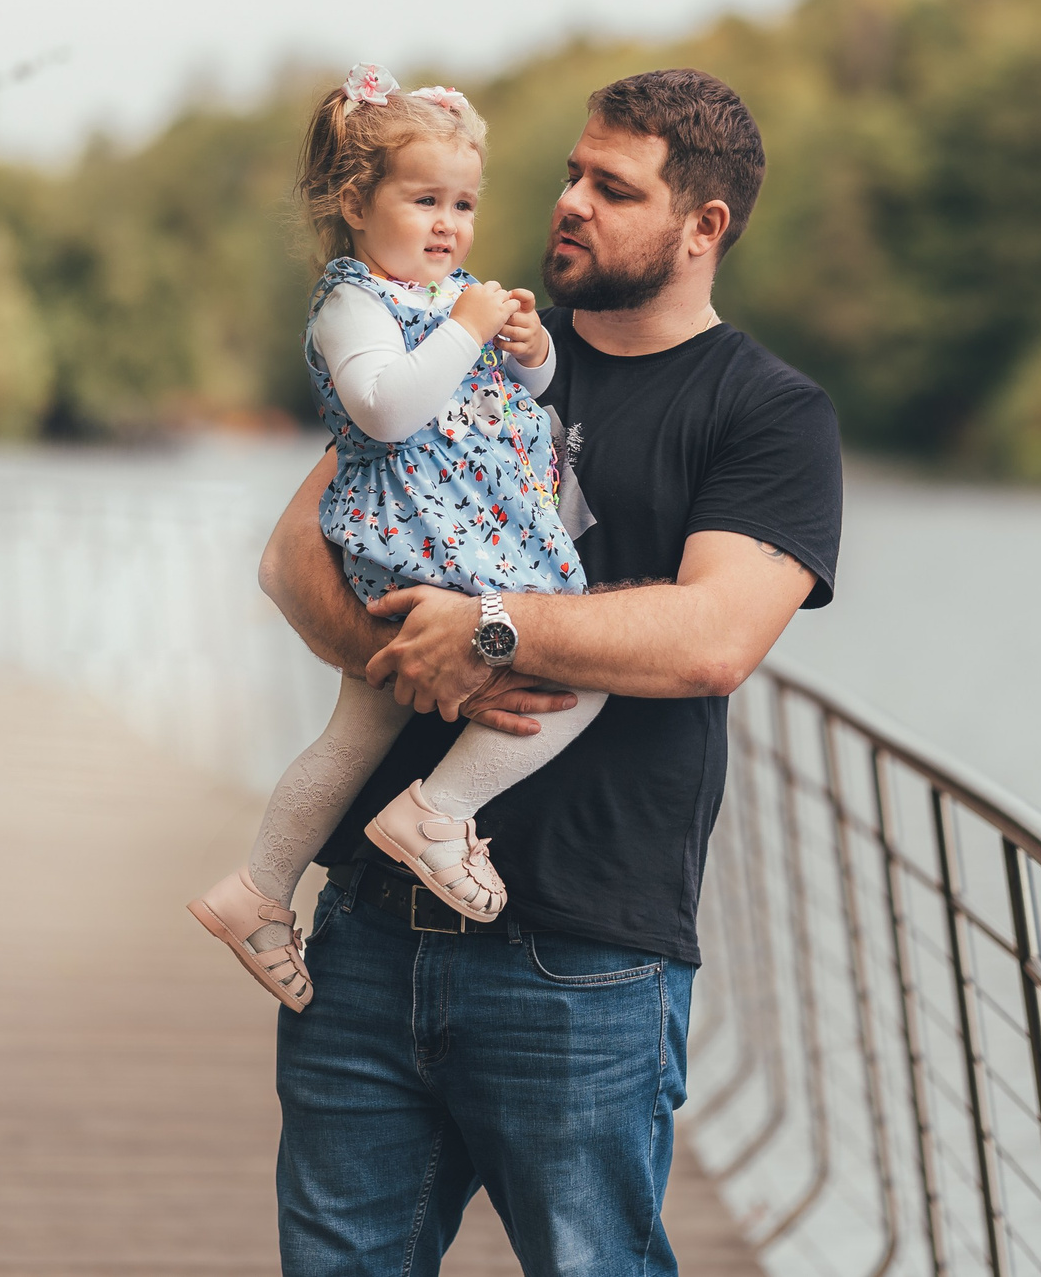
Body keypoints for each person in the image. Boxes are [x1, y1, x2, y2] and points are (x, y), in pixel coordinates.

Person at [255, 67, 844, 1276]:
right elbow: (290, 562)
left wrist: (492, 627)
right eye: (571, 171)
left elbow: (711, 637)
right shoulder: (449, 333)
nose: (567, 201)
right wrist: (402, 655)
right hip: (365, 934)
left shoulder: (766, 413)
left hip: (583, 958)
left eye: (611, 187)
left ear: (703, 226)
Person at [190, 66, 604, 1011]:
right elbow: (384, 412)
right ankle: (437, 813)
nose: (448, 224)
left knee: (358, 729)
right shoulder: (354, 303)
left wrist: (530, 354)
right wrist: (462, 328)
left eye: (462, 203)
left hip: (462, 527)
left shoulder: (451, 298)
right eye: (424, 200)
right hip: (426, 537)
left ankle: (256, 888)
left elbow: (527, 404)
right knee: (577, 677)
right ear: (355, 202)